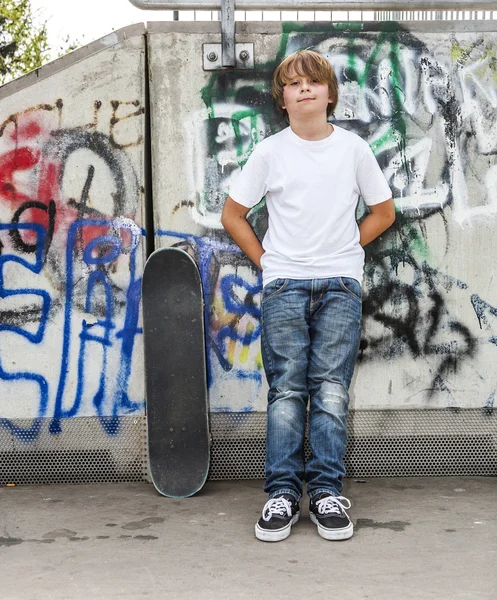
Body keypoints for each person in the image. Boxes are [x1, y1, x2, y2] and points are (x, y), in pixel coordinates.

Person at [221, 49, 395, 542]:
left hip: (340, 284)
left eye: (313, 83)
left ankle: (325, 493)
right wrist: (268, 262)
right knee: (288, 391)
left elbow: (383, 212)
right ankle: (281, 494)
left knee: (331, 390)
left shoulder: (353, 150)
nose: (304, 90)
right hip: (283, 286)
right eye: (293, 84)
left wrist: (344, 249)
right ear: (282, 99)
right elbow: (233, 215)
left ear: (329, 94)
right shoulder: (270, 152)